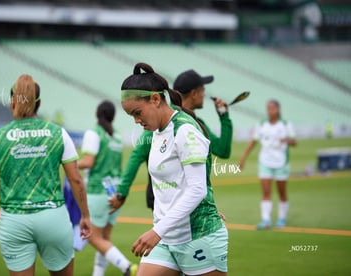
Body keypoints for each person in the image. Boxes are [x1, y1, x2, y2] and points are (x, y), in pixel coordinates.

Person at [0, 74, 92, 276]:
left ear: (12, 101)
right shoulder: (58, 133)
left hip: (14, 221)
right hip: (52, 217)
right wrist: (85, 215)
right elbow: (75, 179)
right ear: (39, 103)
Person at [120, 62, 228, 276]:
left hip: (198, 236)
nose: (136, 120)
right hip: (166, 238)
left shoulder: (185, 130)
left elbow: (198, 189)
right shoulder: (157, 131)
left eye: (138, 112)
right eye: (131, 115)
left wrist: (156, 231)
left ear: (156, 99)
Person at [112, 69, 232, 212]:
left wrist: (224, 116)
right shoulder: (160, 123)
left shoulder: (192, 123)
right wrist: (121, 193)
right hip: (164, 201)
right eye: (202, 90)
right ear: (194, 93)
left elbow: (222, 151)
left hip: (189, 205)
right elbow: (136, 157)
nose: (204, 94)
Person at [76, 100, 137, 276]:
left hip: (98, 191)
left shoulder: (94, 134)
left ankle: (127, 267)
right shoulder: (117, 136)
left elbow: (88, 161)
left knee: (93, 238)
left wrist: (68, 163)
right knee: (104, 239)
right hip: (115, 192)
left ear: (97, 114)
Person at [239, 100, 297, 229]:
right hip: (265, 161)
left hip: (281, 162)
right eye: (268, 108)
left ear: (278, 110)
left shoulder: (285, 124)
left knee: (282, 192)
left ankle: (282, 218)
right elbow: (253, 141)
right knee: (266, 191)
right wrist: (243, 157)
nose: (270, 111)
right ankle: (266, 220)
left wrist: (287, 140)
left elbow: (294, 142)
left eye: (272, 108)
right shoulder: (262, 124)